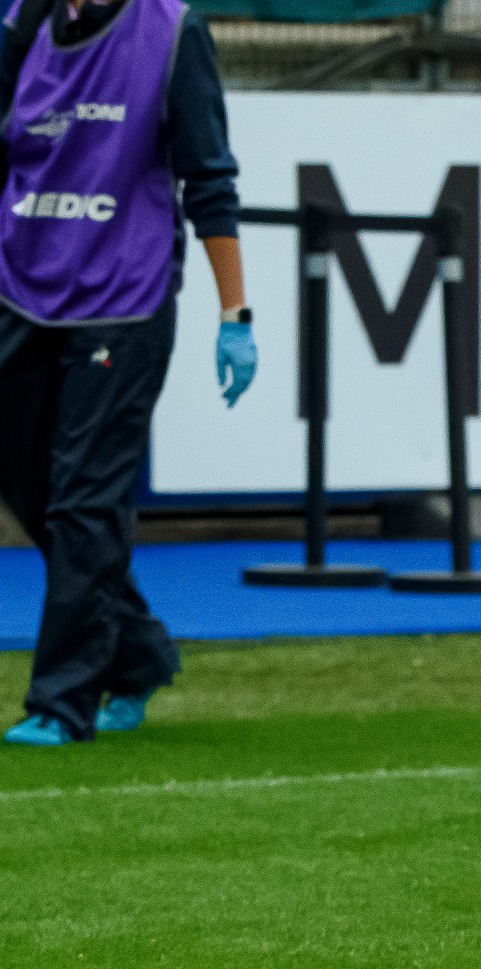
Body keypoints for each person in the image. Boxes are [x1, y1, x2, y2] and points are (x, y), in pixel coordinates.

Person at [0, 0, 255, 747]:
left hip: (124, 300)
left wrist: (235, 315)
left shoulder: (174, 31)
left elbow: (210, 181)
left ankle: (63, 701)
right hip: (21, 286)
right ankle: (137, 650)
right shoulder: (21, 22)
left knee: (85, 500)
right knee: (31, 485)